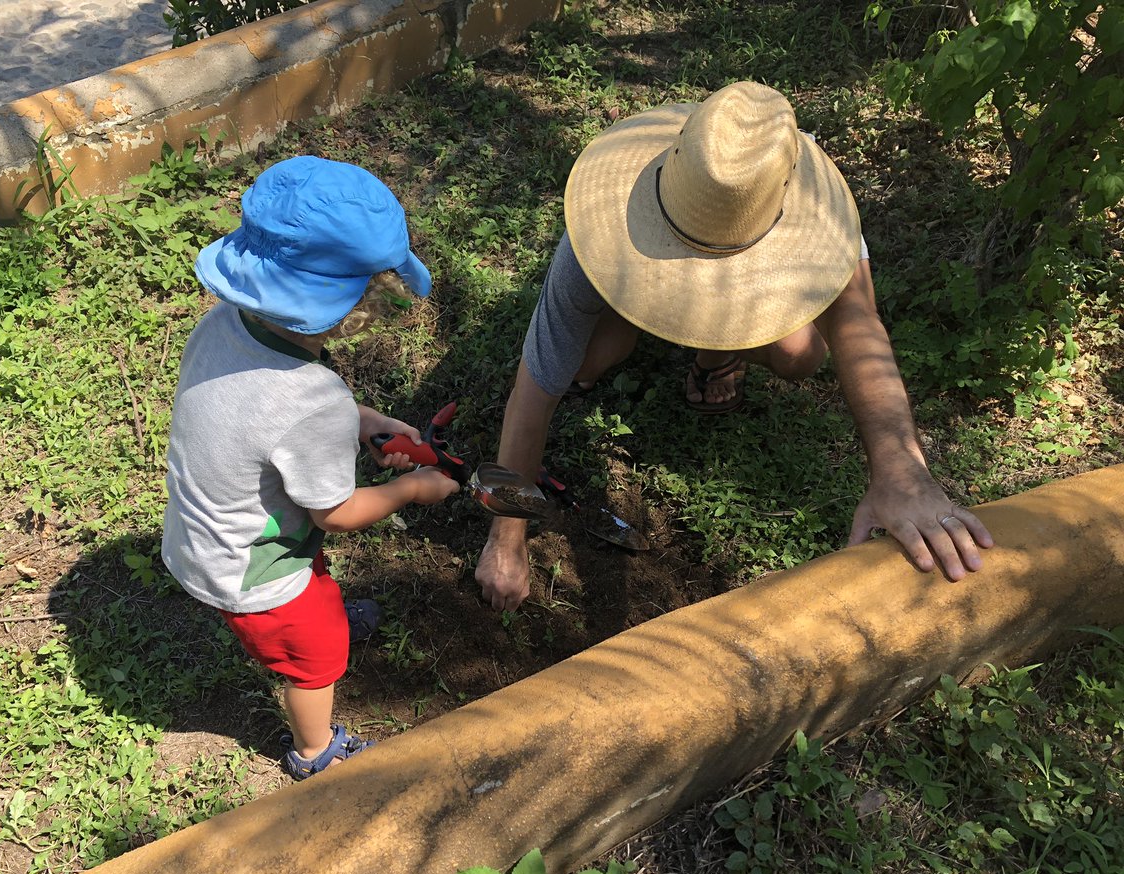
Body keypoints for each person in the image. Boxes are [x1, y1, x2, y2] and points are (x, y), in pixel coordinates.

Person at [476, 81, 994, 612]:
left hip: (759, 295)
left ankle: (719, 349)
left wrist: (903, 473)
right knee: (576, 360)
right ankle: (633, 326)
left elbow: (860, 329)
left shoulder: (816, 209)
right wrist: (505, 540)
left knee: (799, 354)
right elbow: (533, 388)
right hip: (625, 297)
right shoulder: (601, 226)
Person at [161, 157, 459, 780]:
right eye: (372, 290)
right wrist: (409, 487)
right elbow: (337, 513)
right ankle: (315, 751)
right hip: (255, 575)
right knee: (316, 662)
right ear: (341, 304)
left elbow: (260, 415)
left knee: (314, 599)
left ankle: (319, 622)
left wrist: (361, 418)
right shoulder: (310, 399)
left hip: (203, 533)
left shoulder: (222, 324)